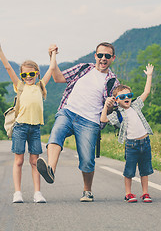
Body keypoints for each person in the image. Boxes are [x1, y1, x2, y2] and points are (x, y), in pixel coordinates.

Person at [36, 42, 120, 202]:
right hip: (68, 111)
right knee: (56, 135)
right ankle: (50, 170)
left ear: (112, 58)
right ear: (95, 56)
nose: (103, 58)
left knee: (87, 160)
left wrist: (109, 107)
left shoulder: (113, 82)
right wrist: (52, 56)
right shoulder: (83, 68)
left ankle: (87, 191)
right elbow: (58, 77)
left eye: (107, 56)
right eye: (100, 55)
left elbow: (112, 110)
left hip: (90, 121)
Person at [0, 38, 56, 203]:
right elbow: (7, 67)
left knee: (35, 162)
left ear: (37, 73)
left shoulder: (40, 86)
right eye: (24, 74)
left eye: (31, 74)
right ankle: (17, 193)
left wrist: (53, 53)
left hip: (35, 129)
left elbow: (52, 68)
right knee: (18, 160)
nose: (28, 77)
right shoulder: (19, 86)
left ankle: (37, 193)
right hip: (20, 127)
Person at [100, 63, 154, 203]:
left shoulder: (135, 105)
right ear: (117, 100)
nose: (127, 98)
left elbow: (146, 92)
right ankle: (128, 193)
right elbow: (103, 119)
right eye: (122, 96)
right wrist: (107, 105)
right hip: (131, 145)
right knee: (129, 170)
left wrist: (149, 76)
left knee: (145, 169)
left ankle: (145, 193)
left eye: (129, 95)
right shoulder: (118, 113)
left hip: (145, 142)